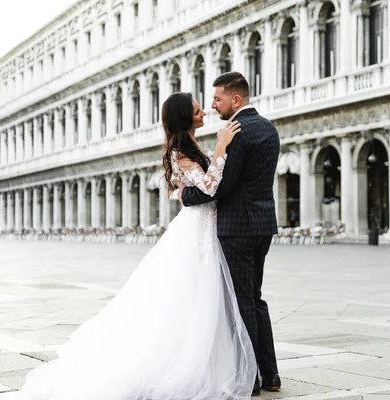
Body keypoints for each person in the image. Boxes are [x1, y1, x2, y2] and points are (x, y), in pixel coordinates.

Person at [18, 92, 257, 400]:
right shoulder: (180, 149)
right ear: (186, 117)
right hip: (196, 230)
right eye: (198, 110)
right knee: (196, 297)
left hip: (204, 227)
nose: (204, 113)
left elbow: (196, 186)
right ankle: (189, 365)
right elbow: (210, 187)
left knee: (204, 299)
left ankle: (211, 364)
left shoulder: (189, 146)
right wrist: (222, 147)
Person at [178, 72, 281, 396]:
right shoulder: (268, 127)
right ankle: (271, 374)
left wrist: (185, 196)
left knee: (241, 302)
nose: (213, 105)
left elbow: (222, 186)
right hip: (263, 223)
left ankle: (249, 378)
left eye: (218, 99)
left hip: (237, 228)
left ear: (236, 99)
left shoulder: (234, 131)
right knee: (256, 298)